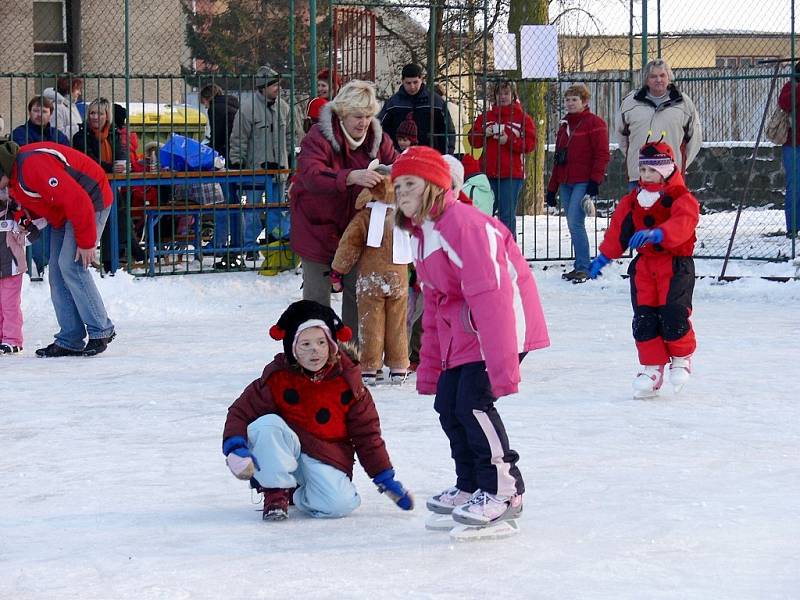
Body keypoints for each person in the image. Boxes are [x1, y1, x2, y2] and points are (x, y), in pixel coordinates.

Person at [391, 146, 550, 528]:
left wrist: (502, 366)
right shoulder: (422, 232)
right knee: (448, 404)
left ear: (433, 185)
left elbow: (491, 294)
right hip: (464, 327)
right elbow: (433, 302)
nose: (401, 193)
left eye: (409, 183)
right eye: (396, 186)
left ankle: (505, 491)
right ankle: (470, 484)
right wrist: (430, 368)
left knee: (473, 404)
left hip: (501, 323)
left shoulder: (462, 224)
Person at [222, 300, 413, 521]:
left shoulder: (348, 382)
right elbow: (240, 412)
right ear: (292, 348)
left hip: (326, 456)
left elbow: (367, 435)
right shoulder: (278, 377)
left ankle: (298, 492)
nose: (315, 351)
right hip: (286, 450)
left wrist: (385, 479)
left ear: (332, 345)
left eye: (321, 342)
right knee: (265, 426)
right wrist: (236, 447)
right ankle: (275, 492)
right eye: (306, 344)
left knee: (340, 505)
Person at [588, 140, 699, 398]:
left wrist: (659, 233)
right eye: (643, 170)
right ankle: (652, 368)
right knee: (644, 317)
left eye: (652, 170)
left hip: (674, 265)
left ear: (667, 170)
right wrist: (604, 257)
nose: (646, 175)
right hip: (644, 269)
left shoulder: (681, 198)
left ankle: (681, 358)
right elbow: (618, 231)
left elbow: (684, 222)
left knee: (673, 312)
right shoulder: (632, 200)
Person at [289, 80, 397, 343]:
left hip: (355, 229)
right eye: (357, 116)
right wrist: (350, 177)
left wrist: (389, 176)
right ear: (342, 113)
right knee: (316, 299)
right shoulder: (318, 136)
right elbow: (311, 175)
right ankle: (314, 353)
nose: (364, 122)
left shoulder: (377, 138)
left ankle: (351, 354)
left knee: (357, 293)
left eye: (369, 116)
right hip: (315, 228)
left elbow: (396, 163)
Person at [0, 141, 116, 357]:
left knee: (71, 265)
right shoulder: (14, 179)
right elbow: (34, 204)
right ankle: (70, 338)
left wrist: (86, 242)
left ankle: (101, 329)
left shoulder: (32, 165)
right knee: (56, 272)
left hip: (91, 200)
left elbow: (78, 199)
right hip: (63, 214)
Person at [330, 170, 411, 385]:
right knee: (398, 322)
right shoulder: (405, 213)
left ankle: (369, 366)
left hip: (370, 277)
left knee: (370, 322)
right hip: (399, 276)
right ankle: (399, 364)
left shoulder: (364, 217)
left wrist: (338, 271)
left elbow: (349, 245)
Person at [545, 84, 611, 283]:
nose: (571, 103)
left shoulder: (595, 123)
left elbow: (602, 154)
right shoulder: (564, 126)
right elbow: (558, 158)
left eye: (575, 99)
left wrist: (594, 181)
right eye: (568, 100)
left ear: (584, 101)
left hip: (583, 180)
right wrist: (552, 188)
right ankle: (580, 265)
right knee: (572, 223)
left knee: (575, 221)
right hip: (566, 181)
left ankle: (584, 266)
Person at [228, 65, 293, 263]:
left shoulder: (284, 107)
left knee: (277, 207)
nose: (277, 88)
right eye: (273, 85)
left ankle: (275, 241)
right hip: (256, 169)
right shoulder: (247, 109)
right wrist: (237, 162)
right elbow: (238, 138)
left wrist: (290, 159)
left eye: (278, 84)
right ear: (262, 87)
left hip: (279, 168)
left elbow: (290, 136)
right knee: (254, 209)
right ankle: (250, 246)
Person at [615, 58, 702, 191]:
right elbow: (622, 137)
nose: (658, 80)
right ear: (646, 79)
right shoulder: (629, 103)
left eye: (662, 75)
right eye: (653, 76)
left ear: (669, 77)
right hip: (639, 177)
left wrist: (679, 164)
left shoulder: (684, 103)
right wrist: (637, 160)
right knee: (637, 211)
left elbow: (694, 138)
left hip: (670, 176)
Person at [468, 79, 536, 241]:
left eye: (506, 93)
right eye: (499, 93)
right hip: (487, 173)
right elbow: (473, 141)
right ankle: (485, 248)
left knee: (507, 215)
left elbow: (530, 144)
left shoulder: (522, 118)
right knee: (485, 212)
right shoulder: (486, 116)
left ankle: (508, 252)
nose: (503, 97)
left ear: (513, 95)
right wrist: (484, 133)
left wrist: (509, 140)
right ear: (494, 95)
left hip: (511, 174)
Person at [11, 95, 71, 280]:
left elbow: (67, 159)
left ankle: (51, 261)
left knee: (56, 222)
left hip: (55, 186)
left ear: (50, 113)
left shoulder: (58, 136)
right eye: (36, 110)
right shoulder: (20, 133)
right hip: (30, 187)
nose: (39, 114)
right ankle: (37, 262)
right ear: (29, 112)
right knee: (34, 224)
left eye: (44, 111)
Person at [199, 83, 243, 267]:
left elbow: (217, 136)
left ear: (207, 99)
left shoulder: (215, 108)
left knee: (225, 202)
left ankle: (221, 243)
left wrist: (209, 153)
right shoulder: (234, 104)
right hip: (238, 158)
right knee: (234, 203)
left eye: (203, 103)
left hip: (225, 158)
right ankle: (238, 244)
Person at [0, 192, 45, 354]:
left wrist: (21, 237)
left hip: (11, 268)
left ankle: (12, 340)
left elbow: (34, 231)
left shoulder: (15, 214)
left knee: (9, 304)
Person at [378, 63, 455, 154]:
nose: (412, 87)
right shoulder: (393, 103)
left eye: (415, 82)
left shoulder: (436, 102)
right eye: (408, 83)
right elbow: (380, 128)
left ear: (421, 80)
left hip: (430, 155)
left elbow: (448, 130)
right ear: (402, 81)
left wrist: (448, 153)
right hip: (399, 155)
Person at [778, 60, 800, 237]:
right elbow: (784, 103)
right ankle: (793, 227)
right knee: (794, 185)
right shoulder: (790, 87)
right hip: (792, 144)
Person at [43, 76, 83, 140]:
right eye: (77, 89)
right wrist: (79, 128)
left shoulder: (71, 105)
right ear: (68, 89)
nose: (80, 93)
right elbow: (56, 133)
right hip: (63, 148)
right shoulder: (57, 107)